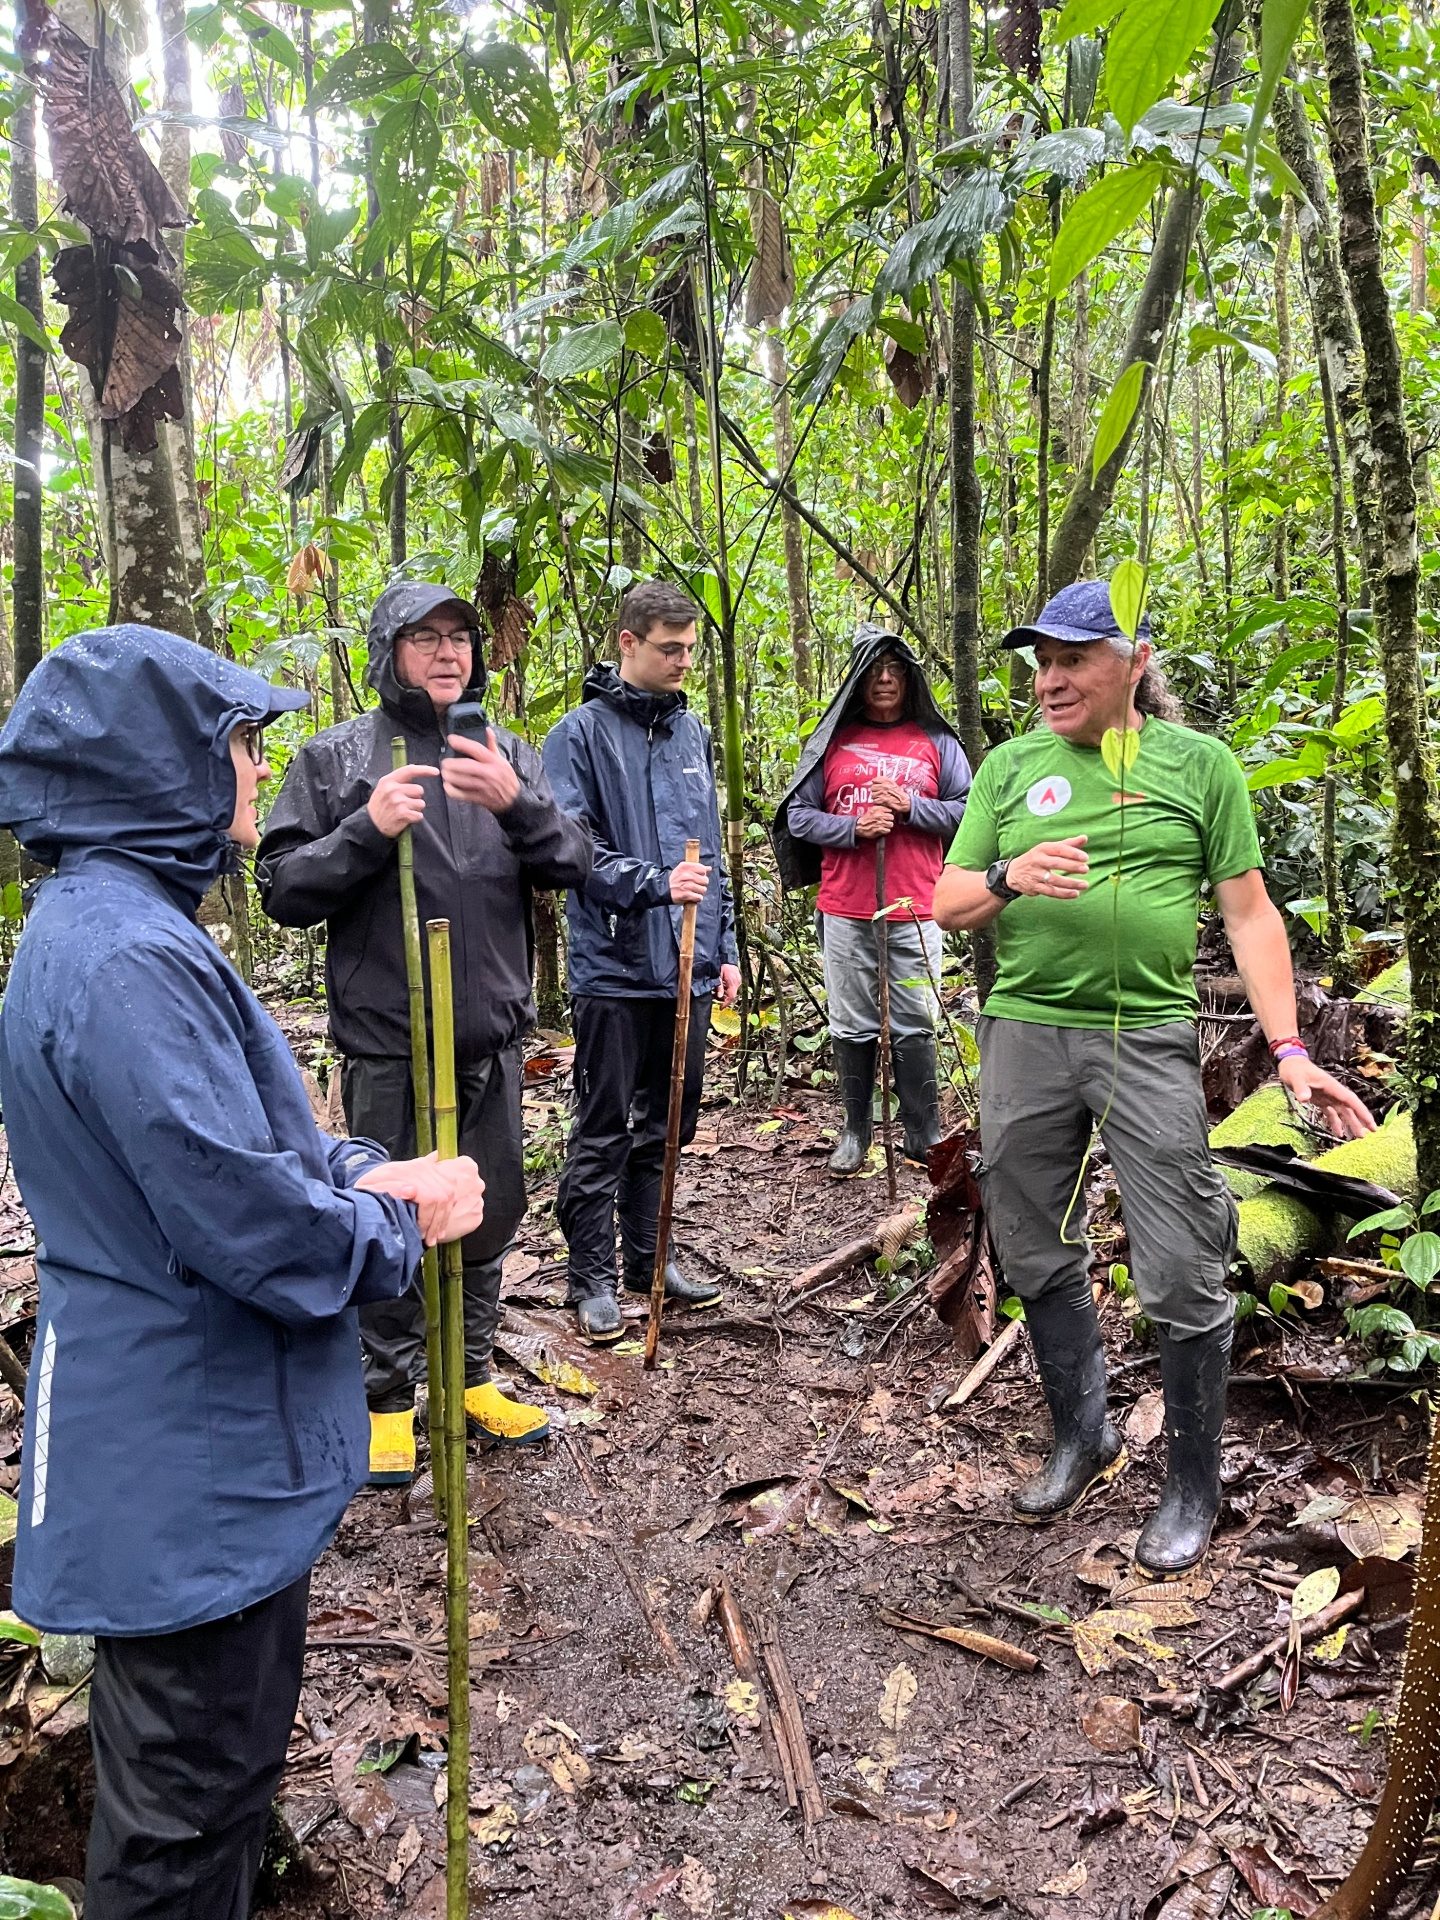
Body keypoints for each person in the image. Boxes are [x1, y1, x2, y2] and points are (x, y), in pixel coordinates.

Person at [0, 626, 484, 1920]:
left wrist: (354, 1172)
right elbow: (243, 1219)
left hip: (183, 1454)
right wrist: (401, 1221)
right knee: (178, 1833)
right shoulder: (125, 959)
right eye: (238, 749)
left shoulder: (110, 930)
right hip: (183, 1470)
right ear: (154, 764)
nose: (257, 779)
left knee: (210, 1805)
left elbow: (228, 1149)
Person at [933, 580, 1374, 1572]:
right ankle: (1083, 1436)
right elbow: (947, 898)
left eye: (1072, 659)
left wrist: (1292, 1050)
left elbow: (1250, 913)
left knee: (1178, 1261)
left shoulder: (1198, 766)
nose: (1049, 679)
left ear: (1130, 663)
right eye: (1039, 661)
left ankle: (1190, 1485)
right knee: (1034, 1241)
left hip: (1145, 1041)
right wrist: (1010, 877)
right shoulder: (1009, 769)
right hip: (1026, 1034)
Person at [256, 583, 592, 1483]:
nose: (449, 654)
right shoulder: (338, 760)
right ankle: (386, 1401)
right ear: (388, 651)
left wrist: (516, 803)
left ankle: (471, 1380)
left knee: (488, 1212)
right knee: (392, 1212)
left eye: (461, 638)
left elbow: (573, 865)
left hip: (489, 1036)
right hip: (389, 1038)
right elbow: (284, 889)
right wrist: (365, 830)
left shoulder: (503, 751)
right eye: (425, 638)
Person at [542, 580, 740, 1343]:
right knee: (603, 1124)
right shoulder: (580, 735)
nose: (683, 661)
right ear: (627, 643)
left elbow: (710, 852)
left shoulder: (691, 734)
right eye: (669, 648)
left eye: (691, 649)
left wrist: (719, 949)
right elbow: (571, 848)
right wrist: (653, 887)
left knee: (670, 1123)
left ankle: (648, 1260)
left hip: (685, 968)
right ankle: (588, 1277)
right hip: (614, 968)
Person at [772, 625, 971, 1172]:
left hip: (915, 904)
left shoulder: (939, 744)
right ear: (857, 681)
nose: (885, 679)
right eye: (875, 670)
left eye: (895, 669)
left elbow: (967, 811)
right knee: (851, 1018)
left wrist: (911, 808)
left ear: (909, 679)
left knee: (915, 1016)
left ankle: (921, 1131)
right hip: (845, 904)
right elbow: (798, 816)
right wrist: (853, 827)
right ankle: (855, 1132)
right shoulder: (832, 743)